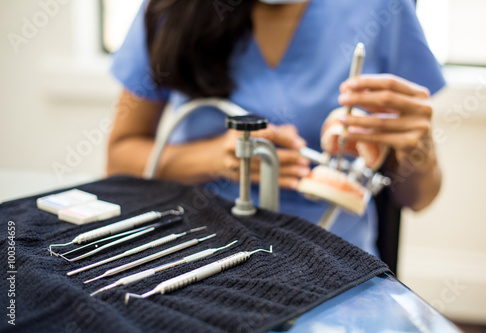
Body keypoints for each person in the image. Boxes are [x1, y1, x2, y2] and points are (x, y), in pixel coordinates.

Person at [107, 0, 445, 256]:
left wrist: (418, 151)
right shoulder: (171, 10)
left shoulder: (381, 10)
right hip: (198, 250)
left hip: (334, 262)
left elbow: (417, 197)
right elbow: (119, 160)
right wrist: (216, 158)